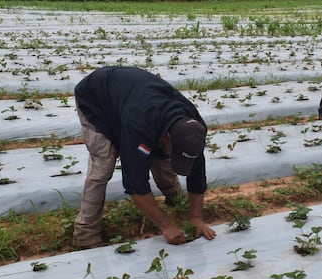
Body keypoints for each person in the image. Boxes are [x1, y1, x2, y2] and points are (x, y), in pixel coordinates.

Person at [72, 66, 217, 248]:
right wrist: (166, 226)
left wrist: (196, 218)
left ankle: (175, 200)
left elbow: (197, 174)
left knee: (163, 156)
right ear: (167, 137)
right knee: (104, 163)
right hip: (96, 98)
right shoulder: (139, 126)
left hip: (133, 99)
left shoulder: (193, 130)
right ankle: (85, 233)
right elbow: (135, 184)